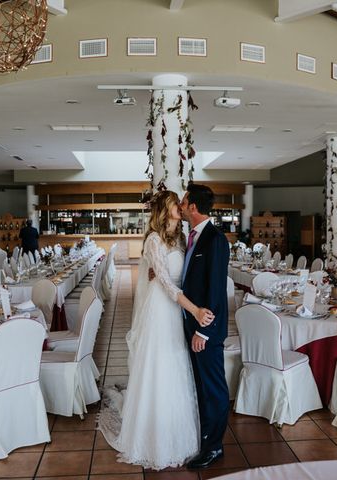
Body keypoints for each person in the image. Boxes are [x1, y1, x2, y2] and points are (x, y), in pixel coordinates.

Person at [97, 190, 215, 470]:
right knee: (160, 366)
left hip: (178, 312)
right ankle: (153, 438)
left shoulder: (181, 239)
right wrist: (195, 310)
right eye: (176, 204)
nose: (181, 208)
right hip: (162, 310)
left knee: (177, 365)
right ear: (166, 209)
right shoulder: (153, 240)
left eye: (181, 203)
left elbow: (187, 274)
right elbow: (166, 284)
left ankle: (179, 434)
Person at [178, 183, 230, 469]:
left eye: (185, 202)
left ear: (193, 207)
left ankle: (214, 446)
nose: (182, 207)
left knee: (213, 388)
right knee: (200, 385)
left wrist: (203, 332)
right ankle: (206, 439)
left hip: (206, 329)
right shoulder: (194, 237)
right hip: (193, 323)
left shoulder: (215, 239)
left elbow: (215, 291)